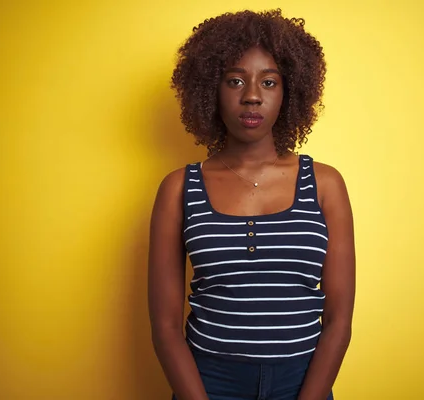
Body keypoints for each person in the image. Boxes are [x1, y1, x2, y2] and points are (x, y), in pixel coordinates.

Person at [148, 9, 355, 400]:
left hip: (304, 381)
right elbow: (164, 326)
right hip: (207, 382)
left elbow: (339, 321)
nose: (252, 95)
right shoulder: (179, 188)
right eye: (235, 80)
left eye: (270, 81)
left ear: (289, 91)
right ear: (211, 88)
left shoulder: (325, 184)